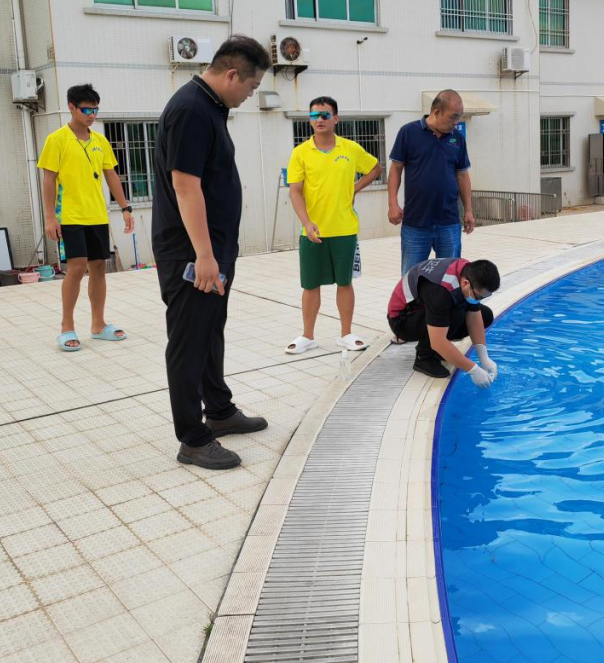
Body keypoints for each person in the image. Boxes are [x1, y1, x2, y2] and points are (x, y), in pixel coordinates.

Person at [152, 36, 271, 470]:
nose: (251, 95)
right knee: (188, 340)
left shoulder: (210, 106)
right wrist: (203, 255)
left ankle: (218, 411)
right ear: (232, 74)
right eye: (252, 87)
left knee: (210, 330)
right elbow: (185, 185)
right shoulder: (191, 110)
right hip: (191, 253)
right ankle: (192, 437)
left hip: (212, 251)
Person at [38, 84, 134, 352]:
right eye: (86, 109)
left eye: (95, 109)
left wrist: (125, 208)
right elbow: (49, 180)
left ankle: (98, 325)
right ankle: (66, 327)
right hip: (68, 215)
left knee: (100, 267)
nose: (92, 114)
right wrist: (49, 217)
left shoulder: (100, 141)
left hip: (96, 215)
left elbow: (111, 175)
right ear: (72, 107)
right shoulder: (57, 139)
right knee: (77, 268)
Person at [285, 96, 382, 355]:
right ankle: (308, 336)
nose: (319, 120)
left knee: (344, 282)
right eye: (314, 116)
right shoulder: (300, 153)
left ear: (335, 119)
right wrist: (307, 222)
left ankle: (346, 333)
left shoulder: (349, 149)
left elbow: (375, 168)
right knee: (310, 284)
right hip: (312, 231)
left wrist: (355, 188)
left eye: (325, 115)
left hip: (345, 229)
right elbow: (295, 192)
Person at [387, 90, 475, 275]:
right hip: (415, 223)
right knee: (411, 278)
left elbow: (462, 175)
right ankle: (412, 306)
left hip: (449, 222)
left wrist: (468, 210)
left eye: (458, 117)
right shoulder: (408, 132)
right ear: (436, 112)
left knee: (450, 278)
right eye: (453, 117)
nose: (456, 122)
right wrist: (392, 204)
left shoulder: (457, 138)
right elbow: (396, 169)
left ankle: (445, 306)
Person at [388, 257, 500, 385]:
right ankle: (424, 358)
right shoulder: (440, 290)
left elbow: (474, 313)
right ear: (465, 284)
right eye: (479, 296)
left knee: (485, 315)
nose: (479, 300)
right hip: (402, 320)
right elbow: (438, 342)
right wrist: (473, 370)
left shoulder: (469, 273)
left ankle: (437, 352)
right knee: (455, 312)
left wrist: (484, 357)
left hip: (425, 309)